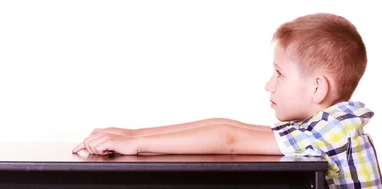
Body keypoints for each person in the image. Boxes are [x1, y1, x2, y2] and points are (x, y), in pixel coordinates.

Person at [73, 13, 382, 188]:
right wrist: (133, 135)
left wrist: (135, 145)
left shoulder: (329, 133)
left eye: (279, 74)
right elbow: (227, 125)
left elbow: (230, 139)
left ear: (317, 89)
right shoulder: (328, 125)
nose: (268, 84)